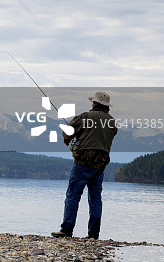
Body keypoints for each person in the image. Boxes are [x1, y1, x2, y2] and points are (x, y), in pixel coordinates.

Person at [52, 91, 117, 240]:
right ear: (106, 106)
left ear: (95, 103)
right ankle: (93, 234)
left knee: (73, 195)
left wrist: (68, 138)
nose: (91, 104)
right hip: (100, 164)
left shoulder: (86, 116)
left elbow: (68, 131)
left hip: (82, 162)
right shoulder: (111, 122)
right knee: (95, 198)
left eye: (92, 102)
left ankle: (66, 229)